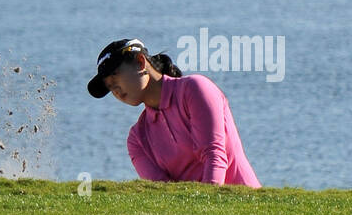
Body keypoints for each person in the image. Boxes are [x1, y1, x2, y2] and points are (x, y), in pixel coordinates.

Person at [87, 38, 261, 186]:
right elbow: (163, 192)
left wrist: (207, 211)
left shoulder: (195, 89)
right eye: (109, 87)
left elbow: (214, 156)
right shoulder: (137, 140)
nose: (115, 90)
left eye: (115, 77)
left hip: (247, 209)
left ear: (141, 62)